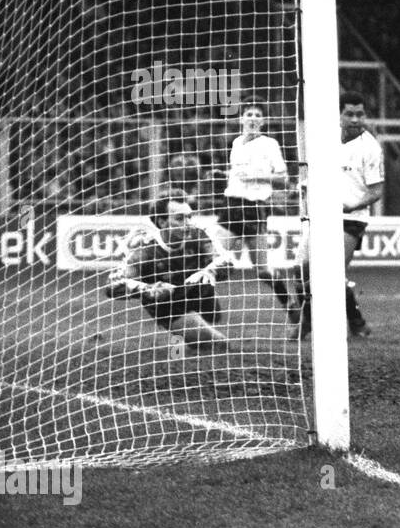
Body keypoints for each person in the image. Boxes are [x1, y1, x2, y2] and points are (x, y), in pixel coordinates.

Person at [293, 92, 384, 339]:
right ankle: (356, 322)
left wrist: (352, 205)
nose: (355, 119)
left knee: (330, 271)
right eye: (350, 114)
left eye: (360, 114)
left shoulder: (370, 148)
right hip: (321, 215)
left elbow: (376, 191)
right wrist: (306, 184)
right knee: (300, 270)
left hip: (351, 218)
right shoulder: (326, 137)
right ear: (340, 115)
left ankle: (308, 322)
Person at [105, 197, 229, 354]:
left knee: (214, 317)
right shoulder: (145, 250)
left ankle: (184, 338)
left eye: (189, 216)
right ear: (162, 222)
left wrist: (212, 269)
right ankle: (181, 339)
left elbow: (225, 260)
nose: (188, 223)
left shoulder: (198, 235)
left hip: (196, 293)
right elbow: (112, 286)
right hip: (169, 306)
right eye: (180, 218)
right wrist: (147, 289)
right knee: (219, 346)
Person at [210, 101, 292, 313]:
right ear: (242, 118)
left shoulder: (270, 144)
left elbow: (284, 180)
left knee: (263, 271)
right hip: (231, 207)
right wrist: (224, 174)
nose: (253, 118)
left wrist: (257, 176)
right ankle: (204, 309)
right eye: (249, 114)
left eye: (257, 114)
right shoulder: (237, 143)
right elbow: (240, 176)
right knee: (211, 259)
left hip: (254, 210)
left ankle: (290, 304)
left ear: (263, 121)